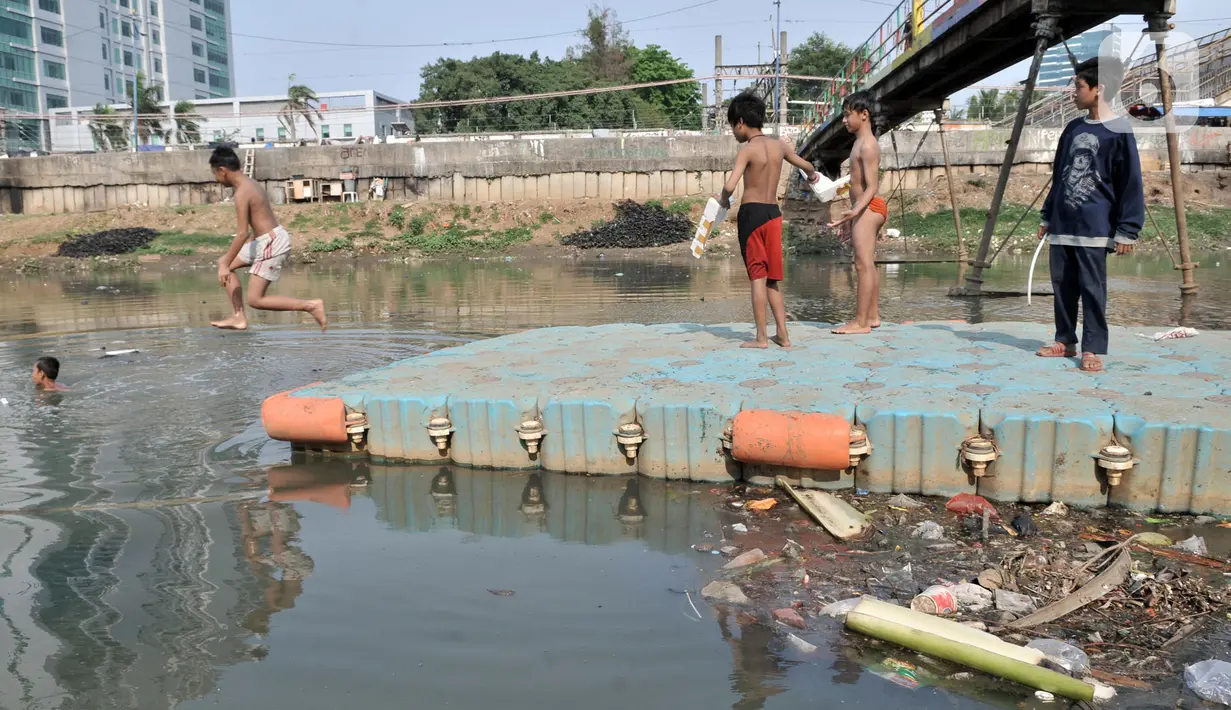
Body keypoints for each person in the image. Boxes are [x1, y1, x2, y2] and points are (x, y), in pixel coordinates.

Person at [1038, 57, 1143, 373]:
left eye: (1078, 87)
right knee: (1063, 286)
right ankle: (1065, 340)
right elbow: (1060, 175)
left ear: (1098, 90)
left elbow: (1130, 183)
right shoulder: (1072, 128)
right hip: (1063, 224)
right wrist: (1047, 215)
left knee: (1093, 290)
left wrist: (1127, 229)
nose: (1073, 92)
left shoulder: (1119, 131)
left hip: (1095, 226)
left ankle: (1092, 348)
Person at [717, 91, 821, 349]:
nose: (733, 132)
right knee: (772, 278)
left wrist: (721, 200)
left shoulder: (747, 150)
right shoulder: (779, 146)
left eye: (732, 126)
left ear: (740, 122)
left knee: (757, 276)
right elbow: (807, 166)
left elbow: (730, 186)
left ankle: (762, 337)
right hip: (774, 215)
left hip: (752, 215)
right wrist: (813, 177)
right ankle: (783, 335)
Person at [209, 146, 326, 331]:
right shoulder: (251, 183)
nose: (216, 179)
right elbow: (259, 219)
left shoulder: (241, 193)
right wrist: (227, 261)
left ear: (222, 171)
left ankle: (311, 305)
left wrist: (226, 262)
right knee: (225, 264)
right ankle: (238, 317)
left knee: (255, 299)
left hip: (271, 243)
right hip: (265, 240)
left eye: (215, 174)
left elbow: (242, 233)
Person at [828, 91, 887, 335]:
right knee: (867, 264)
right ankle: (872, 316)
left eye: (847, 114)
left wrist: (853, 212)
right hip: (866, 208)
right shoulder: (859, 143)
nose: (843, 120)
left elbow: (872, 187)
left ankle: (860, 322)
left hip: (868, 208)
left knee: (862, 265)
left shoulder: (868, 145)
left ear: (864, 115)